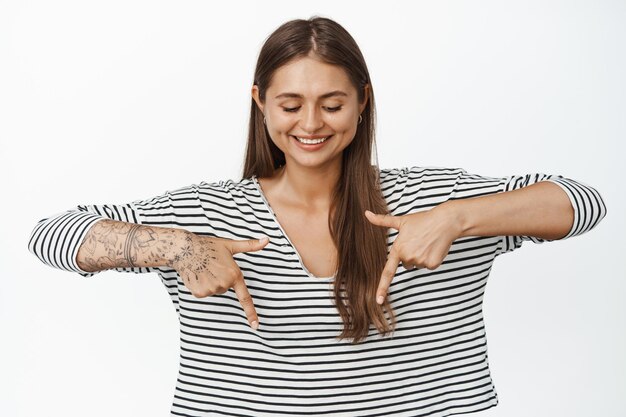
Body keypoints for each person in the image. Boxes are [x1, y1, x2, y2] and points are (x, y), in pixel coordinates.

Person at [27, 15, 607, 417]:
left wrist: (455, 219)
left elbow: (581, 202)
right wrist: (178, 247)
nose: (311, 124)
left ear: (363, 100)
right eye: (290, 104)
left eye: (332, 104)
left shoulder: (432, 202)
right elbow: (52, 235)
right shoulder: (205, 212)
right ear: (259, 102)